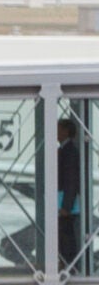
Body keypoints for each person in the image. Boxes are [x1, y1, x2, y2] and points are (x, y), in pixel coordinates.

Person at [61, 114, 88, 275]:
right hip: (64, 200)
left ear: (65, 131)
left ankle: (70, 267)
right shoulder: (67, 150)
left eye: (58, 129)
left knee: (66, 236)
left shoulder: (69, 151)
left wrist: (66, 206)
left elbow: (71, 180)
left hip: (65, 201)